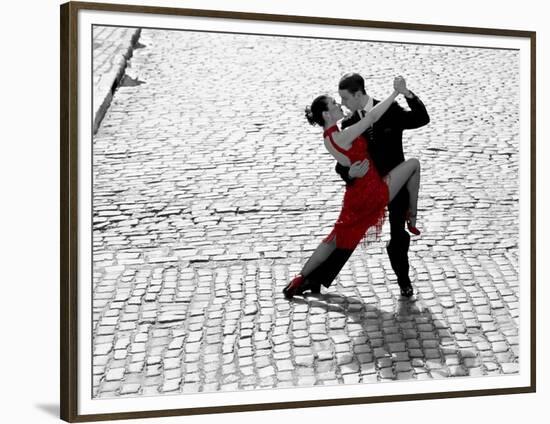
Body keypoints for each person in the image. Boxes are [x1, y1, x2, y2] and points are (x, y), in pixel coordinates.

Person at [283, 77, 421, 300]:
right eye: (335, 104)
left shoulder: (329, 137)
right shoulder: (346, 131)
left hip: (356, 196)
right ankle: (412, 214)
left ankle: (299, 279)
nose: (340, 104)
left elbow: (420, 119)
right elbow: (373, 116)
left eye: (342, 100)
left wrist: (405, 95)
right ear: (327, 114)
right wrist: (395, 93)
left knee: (333, 240)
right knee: (414, 164)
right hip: (372, 191)